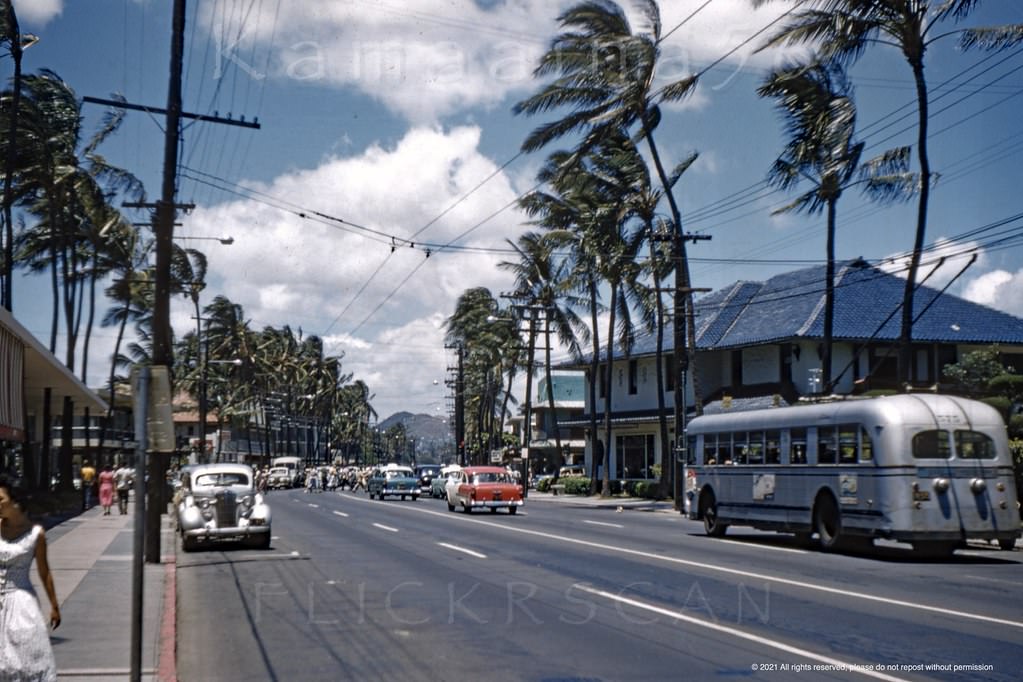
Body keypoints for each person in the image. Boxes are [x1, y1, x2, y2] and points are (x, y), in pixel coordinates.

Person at [0, 478, 61, 681]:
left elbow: (44, 571)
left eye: (0, 499)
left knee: (25, 657)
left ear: (16, 502)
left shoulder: (37, 534)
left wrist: (54, 605)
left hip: (21, 601)